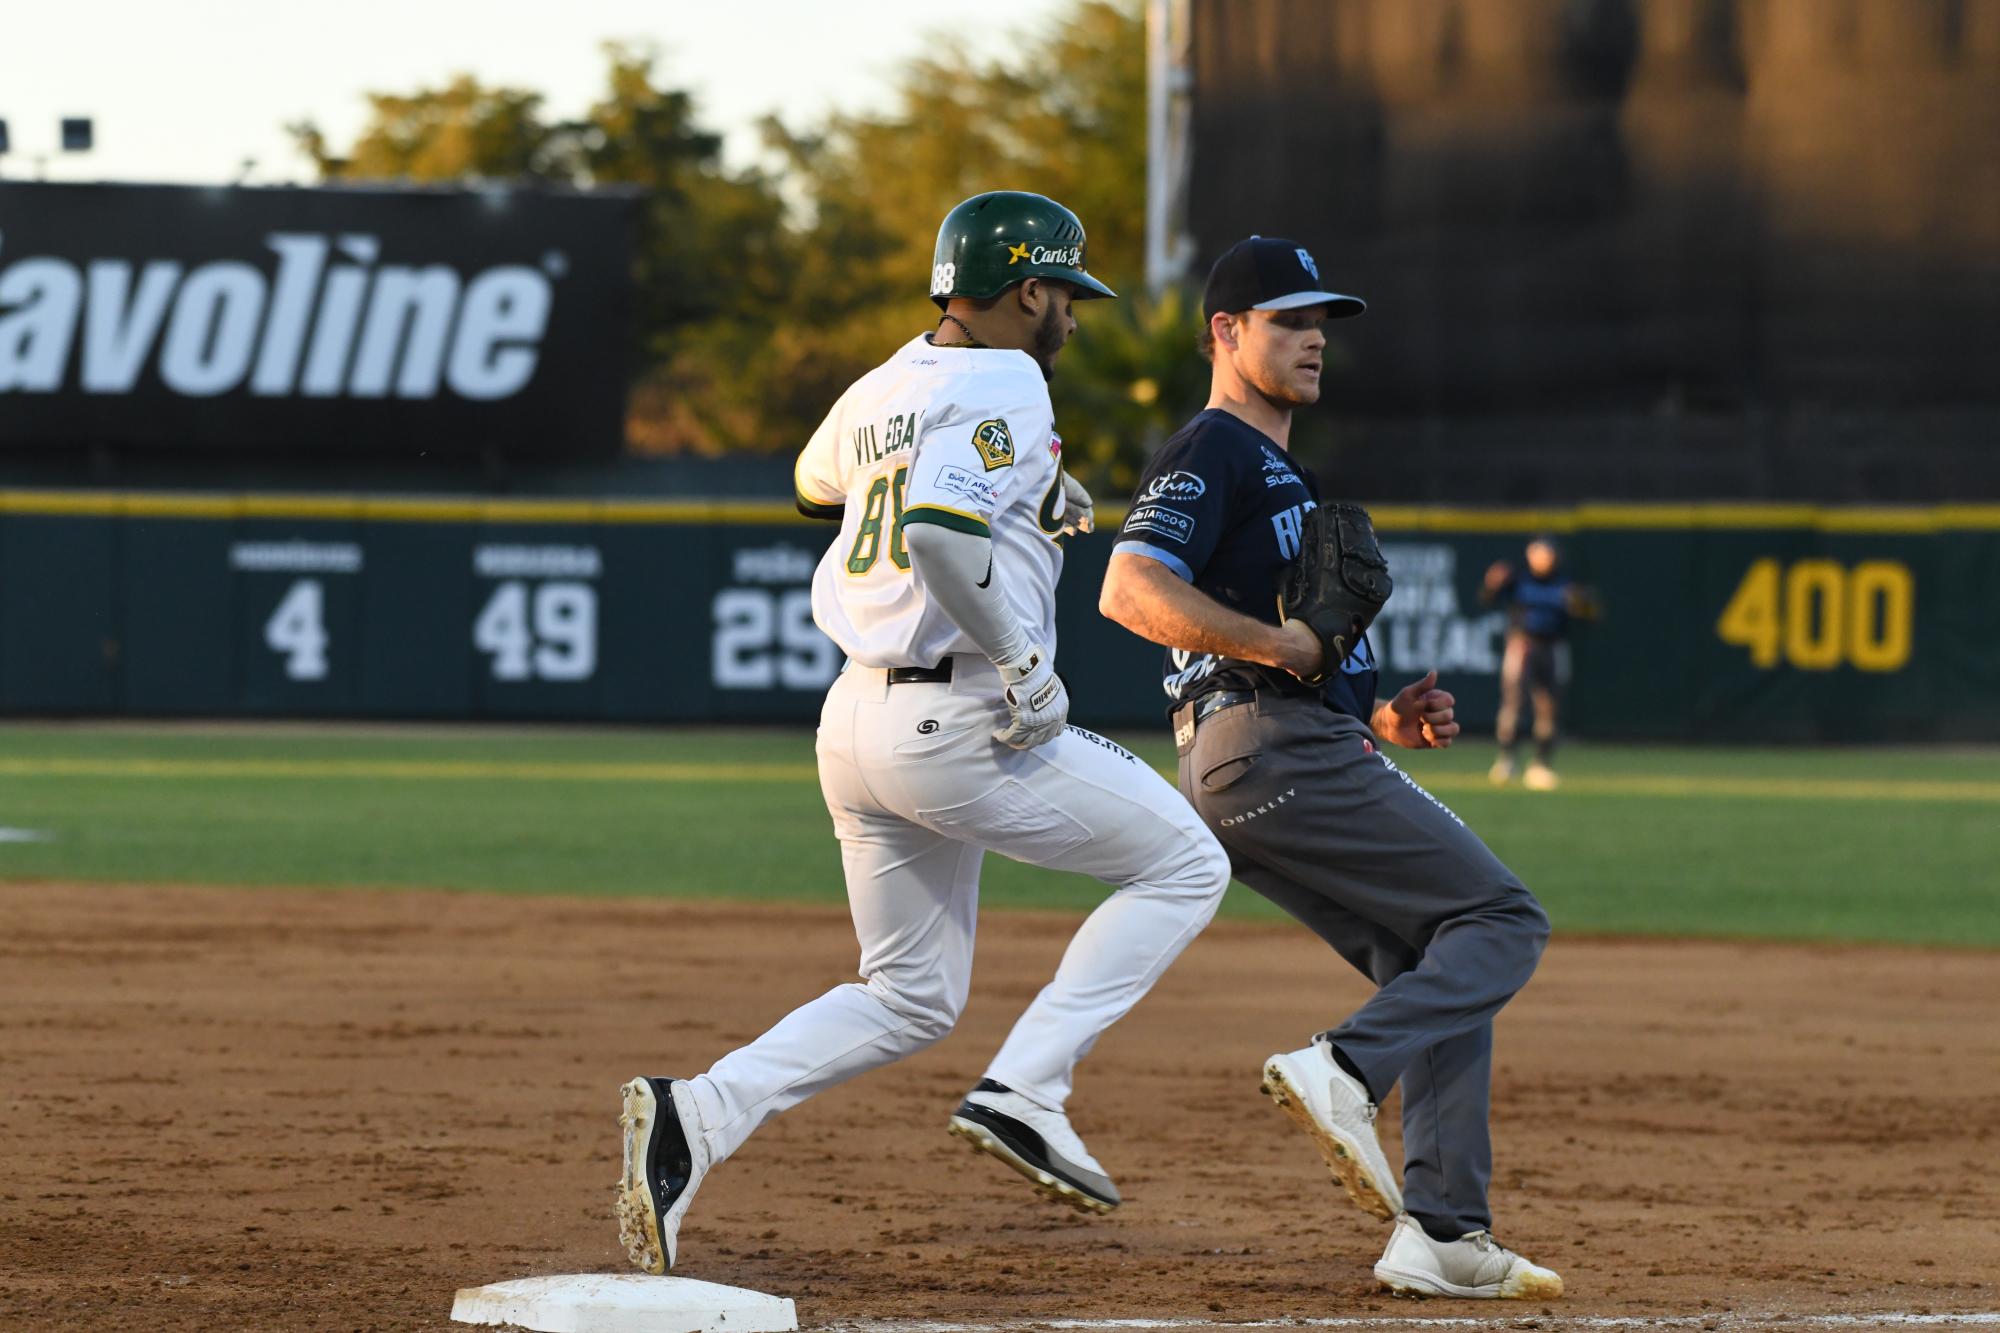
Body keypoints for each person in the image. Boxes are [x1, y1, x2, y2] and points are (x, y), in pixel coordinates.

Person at [616, 191, 1232, 1276]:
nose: (1074, 317)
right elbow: (942, 535)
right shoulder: (1009, 376)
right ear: (1025, 288)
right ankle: (1027, 1088)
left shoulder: (886, 378)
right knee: (1187, 860)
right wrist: (1023, 659)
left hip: (852, 716)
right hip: (958, 716)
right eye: (1065, 294)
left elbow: (819, 485)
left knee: (908, 994)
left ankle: (695, 1115)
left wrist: (1029, 484)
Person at [1097, 236, 1562, 1301]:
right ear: (1224, 332)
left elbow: (1298, 648)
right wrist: (1285, 651)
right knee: (1501, 919)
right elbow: (1126, 589)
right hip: (1269, 745)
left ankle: (1441, 1230)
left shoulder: (1279, 470)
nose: (1312, 338)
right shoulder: (1211, 449)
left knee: (1441, 962)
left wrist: (1383, 714)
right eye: (1286, 319)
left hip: (1274, 752)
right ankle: (1344, 1066)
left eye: (1321, 322)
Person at [1482, 537, 1599, 790]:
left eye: (1547, 553)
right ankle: (1506, 760)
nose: (1543, 558)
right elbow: (1487, 599)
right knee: (1513, 704)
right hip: (1522, 644)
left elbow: (1591, 614)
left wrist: (1583, 604)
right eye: (1538, 553)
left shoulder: (1565, 582)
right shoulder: (1518, 579)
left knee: (1549, 707)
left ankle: (1541, 765)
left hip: (1553, 646)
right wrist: (1491, 585)